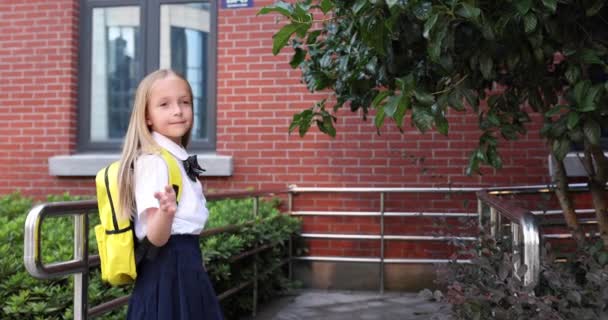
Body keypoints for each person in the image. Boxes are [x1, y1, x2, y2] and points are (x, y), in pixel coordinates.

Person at [116, 69, 224, 319]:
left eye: (184, 102)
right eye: (164, 104)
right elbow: (155, 237)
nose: (178, 110)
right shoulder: (154, 161)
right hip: (167, 268)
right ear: (148, 116)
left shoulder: (175, 157)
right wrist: (166, 212)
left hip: (185, 263)